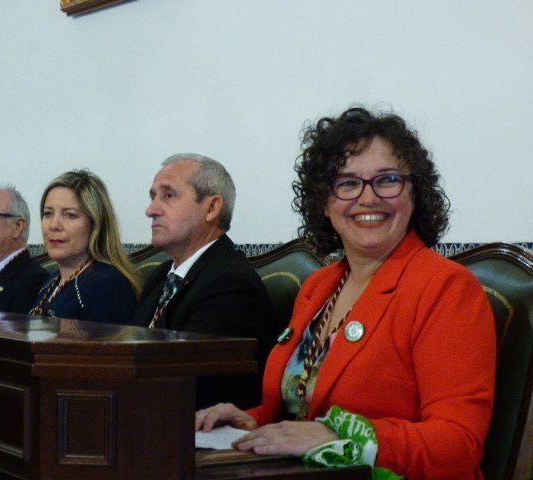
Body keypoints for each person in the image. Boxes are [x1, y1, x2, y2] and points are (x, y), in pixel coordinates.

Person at [196, 107, 496, 479]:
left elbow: (458, 445)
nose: (368, 198)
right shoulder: (318, 287)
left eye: (388, 180)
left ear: (415, 193)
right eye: (347, 183)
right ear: (324, 201)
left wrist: (344, 438)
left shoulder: (446, 288)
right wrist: (250, 423)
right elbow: (303, 414)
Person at [128, 153, 275, 409]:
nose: (151, 210)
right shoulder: (160, 276)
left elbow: (181, 382)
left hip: (196, 426)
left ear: (211, 208)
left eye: (168, 195)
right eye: (153, 197)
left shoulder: (230, 284)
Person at [29, 169, 141, 324]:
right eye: (48, 213)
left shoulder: (107, 284)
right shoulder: (51, 281)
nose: (53, 225)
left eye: (70, 215)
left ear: (96, 225)